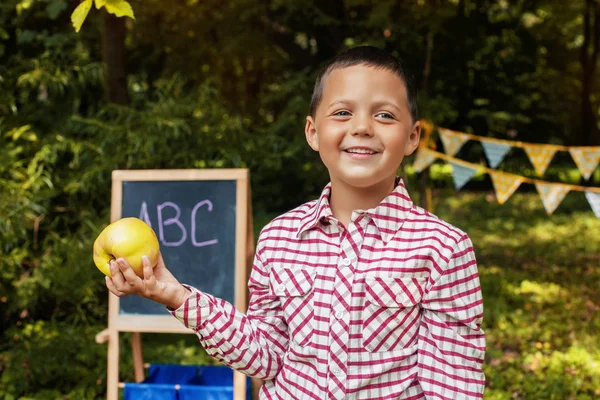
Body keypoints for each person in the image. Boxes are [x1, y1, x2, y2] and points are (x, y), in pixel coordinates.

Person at [105, 45, 486, 399]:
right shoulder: (280, 237)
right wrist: (176, 295)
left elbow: (453, 386)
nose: (363, 127)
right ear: (313, 132)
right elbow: (265, 356)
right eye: (342, 112)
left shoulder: (443, 247)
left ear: (413, 136)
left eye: (384, 115)